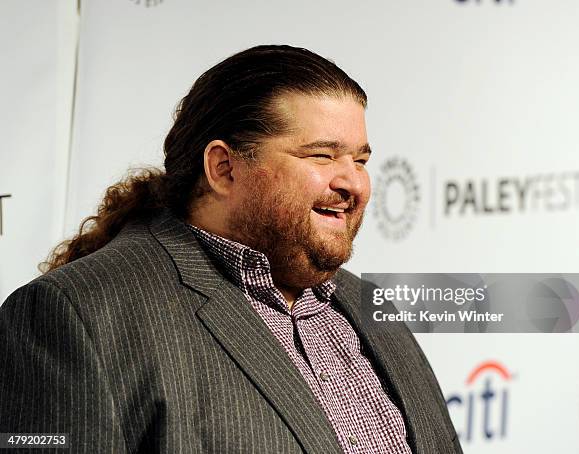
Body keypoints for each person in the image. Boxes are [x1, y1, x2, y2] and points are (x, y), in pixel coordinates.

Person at [0, 45, 462, 453]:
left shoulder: (371, 309)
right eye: (321, 155)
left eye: (360, 159)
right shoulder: (75, 314)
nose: (353, 183)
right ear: (224, 168)